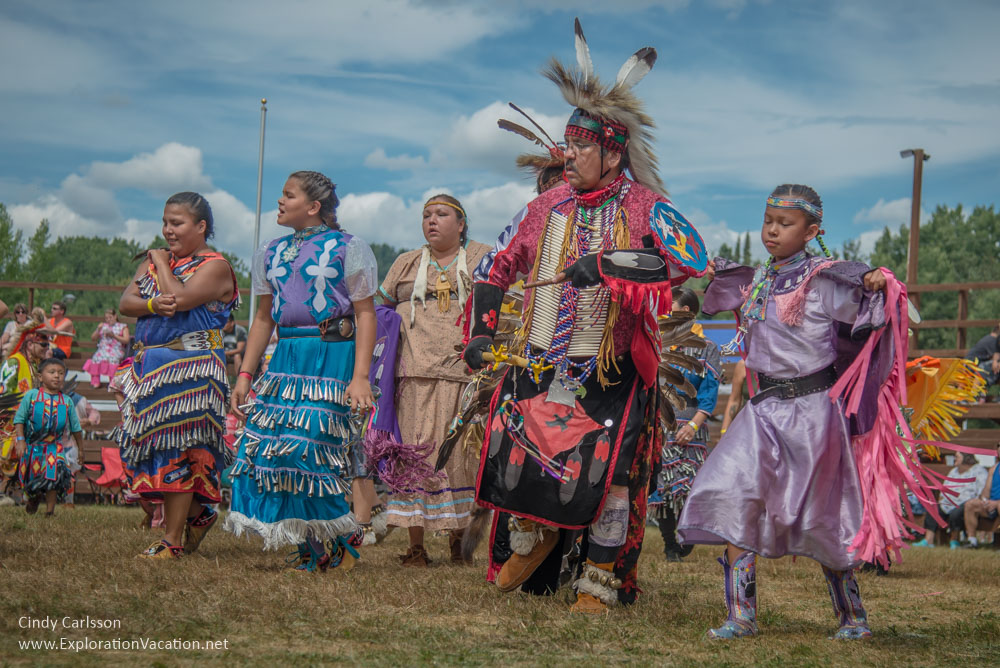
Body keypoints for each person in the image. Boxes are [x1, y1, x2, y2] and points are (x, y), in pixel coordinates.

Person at [463, 19, 705, 613]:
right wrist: (482, 334)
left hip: (611, 367)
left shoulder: (647, 205)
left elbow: (689, 260)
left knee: (610, 471)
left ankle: (599, 579)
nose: (566, 156)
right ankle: (534, 539)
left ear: (612, 150)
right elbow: (495, 268)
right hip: (539, 359)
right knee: (519, 453)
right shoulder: (545, 205)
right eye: (567, 145)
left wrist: (608, 265)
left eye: (580, 147)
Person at [675, 183, 922, 640]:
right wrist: (703, 269)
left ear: (812, 231)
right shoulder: (758, 280)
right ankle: (741, 615)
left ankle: (853, 616)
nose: (771, 230)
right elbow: (719, 285)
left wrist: (878, 281)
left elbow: (879, 307)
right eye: (768, 220)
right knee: (730, 489)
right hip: (762, 409)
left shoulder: (829, 280)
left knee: (823, 515)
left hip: (813, 414)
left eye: (784, 223)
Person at [226, 171, 377, 572]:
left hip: (332, 356)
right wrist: (245, 375)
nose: (280, 201)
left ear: (313, 207)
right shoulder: (269, 252)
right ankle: (317, 545)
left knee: (311, 447)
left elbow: (365, 313)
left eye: (287, 195)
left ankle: (341, 535)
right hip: (286, 358)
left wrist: (360, 376)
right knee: (274, 451)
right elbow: (261, 320)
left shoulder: (349, 247)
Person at [116, 191, 239, 559]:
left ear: (200, 227)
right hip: (152, 370)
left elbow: (180, 299)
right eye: (166, 222)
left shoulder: (215, 266)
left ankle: (171, 541)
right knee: (153, 448)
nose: (168, 230)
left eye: (177, 223)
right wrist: (152, 301)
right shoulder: (158, 262)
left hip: (192, 368)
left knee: (181, 448)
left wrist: (160, 265)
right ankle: (199, 515)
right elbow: (125, 303)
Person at [378, 195, 491, 566]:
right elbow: (378, 308)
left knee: (460, 458)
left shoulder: (481, 258)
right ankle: (415, 546)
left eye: (442, 215)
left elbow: (504, 304)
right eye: (426, 215)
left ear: (461, 224)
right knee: (415, 456)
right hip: (413, 375)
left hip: (464, 375)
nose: (432, 221)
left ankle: (459, 542)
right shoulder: (406, 263)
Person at [650, 286, 721, 562]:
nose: (665, 313)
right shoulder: (659, 344)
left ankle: (686, 538)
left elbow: (708, 393)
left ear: (687, 312)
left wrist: (692, 425)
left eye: (671, 308)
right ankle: (670, 545)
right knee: (663, 487)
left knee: (688, 487)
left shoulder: (707, 349)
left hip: (691, 421)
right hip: (660, 422)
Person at [13, 357, 83, 515]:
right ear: (40, 377)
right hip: (32, 447)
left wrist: (81, 450)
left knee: (54, 475)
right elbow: (19, 420)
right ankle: (34, 497)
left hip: (54, 447)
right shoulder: (31, 396)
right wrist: (21, 441)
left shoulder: (66, 401)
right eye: (52, 372)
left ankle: (49, 512)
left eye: (61, 373)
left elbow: (76, 428)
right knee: (33, 480)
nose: (57, 376)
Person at [912, 453, 987, 548]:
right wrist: (942, 498)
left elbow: (982, 489)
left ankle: (954, 540)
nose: (954, 458)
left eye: (957, 456)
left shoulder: (979, 471)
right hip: (948, 502)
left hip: (966, 502)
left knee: (956, 513)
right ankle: (928, 540)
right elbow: (945, 487)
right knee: (933, 508)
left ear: (966, 458)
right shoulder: (954, 471)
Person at [962, 442, 1000, 547]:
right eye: (999, 446)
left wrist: (996, 503)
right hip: (991, 504)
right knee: (970, 504)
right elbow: (986, 491)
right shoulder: (994, 469)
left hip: (998, 504)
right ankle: (972, 541)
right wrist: (984, 500)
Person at [83, 308, 130, 388]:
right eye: (106, 318)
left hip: (116, 349)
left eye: (110, 317)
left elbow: (126, 340)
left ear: (115, 316)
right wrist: (98, 329)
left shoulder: (123, 327)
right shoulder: (103, 326)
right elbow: (93, 338)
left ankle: (112, 382)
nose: (108, 320)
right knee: (96, 358)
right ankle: (95, 382)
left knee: (113, 359)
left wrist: (114, 336)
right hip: (103, 349)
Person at [720, 359, 747, 435]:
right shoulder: (744, 365)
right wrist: (724, 431)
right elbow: (734, 400)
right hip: (748, 426)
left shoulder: (779, 365)